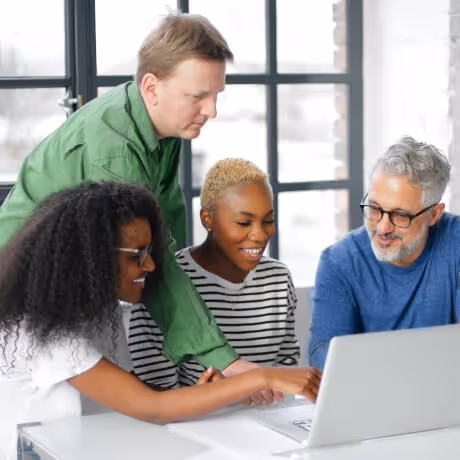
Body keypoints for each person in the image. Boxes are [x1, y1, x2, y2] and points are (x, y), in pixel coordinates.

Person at [0, 12, 247, 377]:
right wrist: (222, 359)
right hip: (21, 298)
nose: (211, 110)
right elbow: (150, 253)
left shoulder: (163, 128)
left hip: (71, 293)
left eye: (215, 95)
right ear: (151, 87)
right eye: (197, 96)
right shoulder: (115, 146)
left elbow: (166, 225)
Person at [0, 181, 321, 460]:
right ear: (90, 257)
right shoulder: (45, 331)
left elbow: (131, 395)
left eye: (150, 252)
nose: (151, 266)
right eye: (135, 255)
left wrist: (197, 395)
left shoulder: (91, 310)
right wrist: (262, 377)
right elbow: (153, 407)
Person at [128, 159, 301, 396]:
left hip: (268, 420)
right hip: (194, 424)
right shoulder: (165, 284)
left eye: (268, 221)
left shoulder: (278, 278)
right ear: (208, 220)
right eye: (243, 222)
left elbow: (287, 369)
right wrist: (215, 395)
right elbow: (156, 396)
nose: (260, 235)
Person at [308, 136, 459, 370]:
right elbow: (322, 357)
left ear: (434, 215)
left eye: (401, 215)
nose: (382, 228)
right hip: (368, 398)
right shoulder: (338, 261)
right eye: (375, 209)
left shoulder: (455, 246)